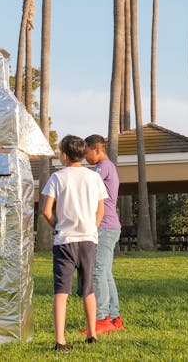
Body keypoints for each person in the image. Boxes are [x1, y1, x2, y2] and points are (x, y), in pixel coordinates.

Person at [41, 135, 107, 351]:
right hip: (88, 239)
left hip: (65, 241)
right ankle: (92, 334)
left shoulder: (57, 178)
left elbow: (45, 211)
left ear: (65, 155)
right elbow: (101, 209)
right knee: (88, 288)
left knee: (62, 291)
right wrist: (93, 227)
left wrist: (58, 226)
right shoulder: (94, 177)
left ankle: (60, 340)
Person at [84, 134, 123, 335]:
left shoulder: (103, 167)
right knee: (105, 272)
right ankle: (115, 318)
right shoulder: (107, 167)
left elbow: (87, 186)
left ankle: (101, 319)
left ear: (97, 149)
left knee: (98, 271)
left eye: (86, 152)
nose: (85, 157)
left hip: (104, 226)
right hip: (110, 226)